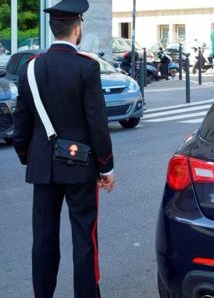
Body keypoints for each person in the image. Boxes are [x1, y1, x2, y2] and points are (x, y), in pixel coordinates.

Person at [13, 0, 116, 297]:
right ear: (77, 27)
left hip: (42, 166)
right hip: (81, 166)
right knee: (84, 238)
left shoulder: (30, 68)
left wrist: (27, 156)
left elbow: (22, 120)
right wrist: (106, 166)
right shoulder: (86, 66)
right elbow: (97, 122)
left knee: (43, 239)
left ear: (52, 28)